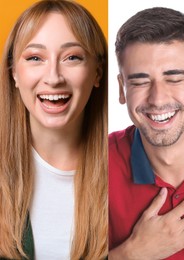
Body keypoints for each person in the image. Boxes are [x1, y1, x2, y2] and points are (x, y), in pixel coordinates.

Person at [106, 7, 184, 260]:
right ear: (122, 89)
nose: (157, 99)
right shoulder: (90, 162)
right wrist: (130, 254)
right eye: (139, 81)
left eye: (173, 78)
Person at [0, 0, 109, 259]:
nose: (53, 77)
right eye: (35, 58)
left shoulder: (129, 169)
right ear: (14, 73)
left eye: (72, 57)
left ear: (97, 73)